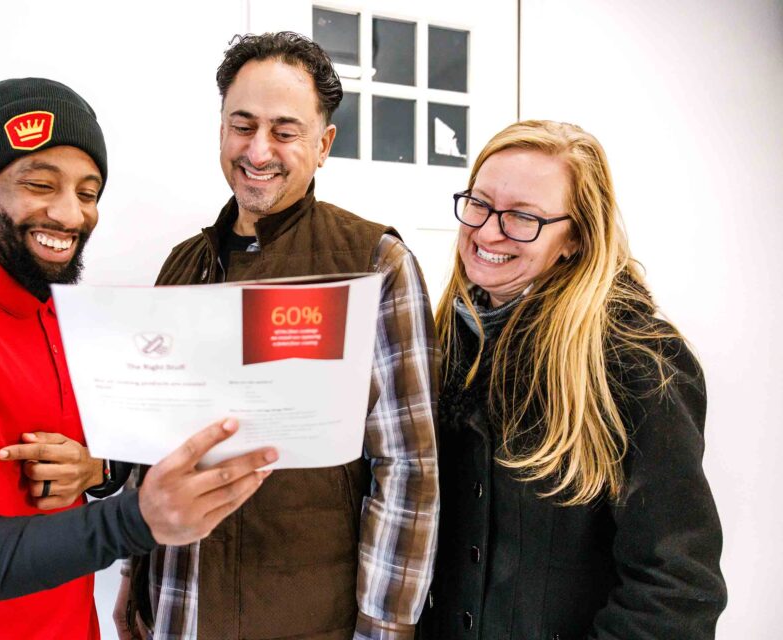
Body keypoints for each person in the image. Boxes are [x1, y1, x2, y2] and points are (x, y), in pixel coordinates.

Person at [0, 77, 276, 640]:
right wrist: (134, 520)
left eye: (87, 192)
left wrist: (100, 469)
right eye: (40, 184)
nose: (69, 214)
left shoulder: (75, 323)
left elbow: (112, 455)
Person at [113, 32, 440, 640]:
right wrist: (135, 577)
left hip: (312, 615)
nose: (258, 150)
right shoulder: (182, 265)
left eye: (285, 132)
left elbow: (409, 468)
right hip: (179, 607)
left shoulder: (374, 263)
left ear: (323, 145)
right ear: (220, 129)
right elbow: (152, 444)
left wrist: (385, 628)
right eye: (242, 125)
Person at [417, 120, 727, 639]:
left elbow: (676, 588)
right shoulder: (445, 339)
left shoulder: (638, 360)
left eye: (523, 217)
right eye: (480, 203)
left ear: (576, 238)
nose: (489, 231)